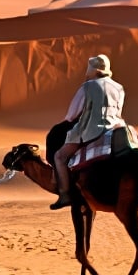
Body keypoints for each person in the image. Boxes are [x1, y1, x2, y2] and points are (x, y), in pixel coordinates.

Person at [51, 54, 125, 207]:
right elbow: (118, 112)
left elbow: (71, 116)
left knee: (60, 157)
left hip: (90, 131)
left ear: (92, 70)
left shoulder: (87, 87)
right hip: (114, 129)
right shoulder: (119, 88)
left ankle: (65, 194)